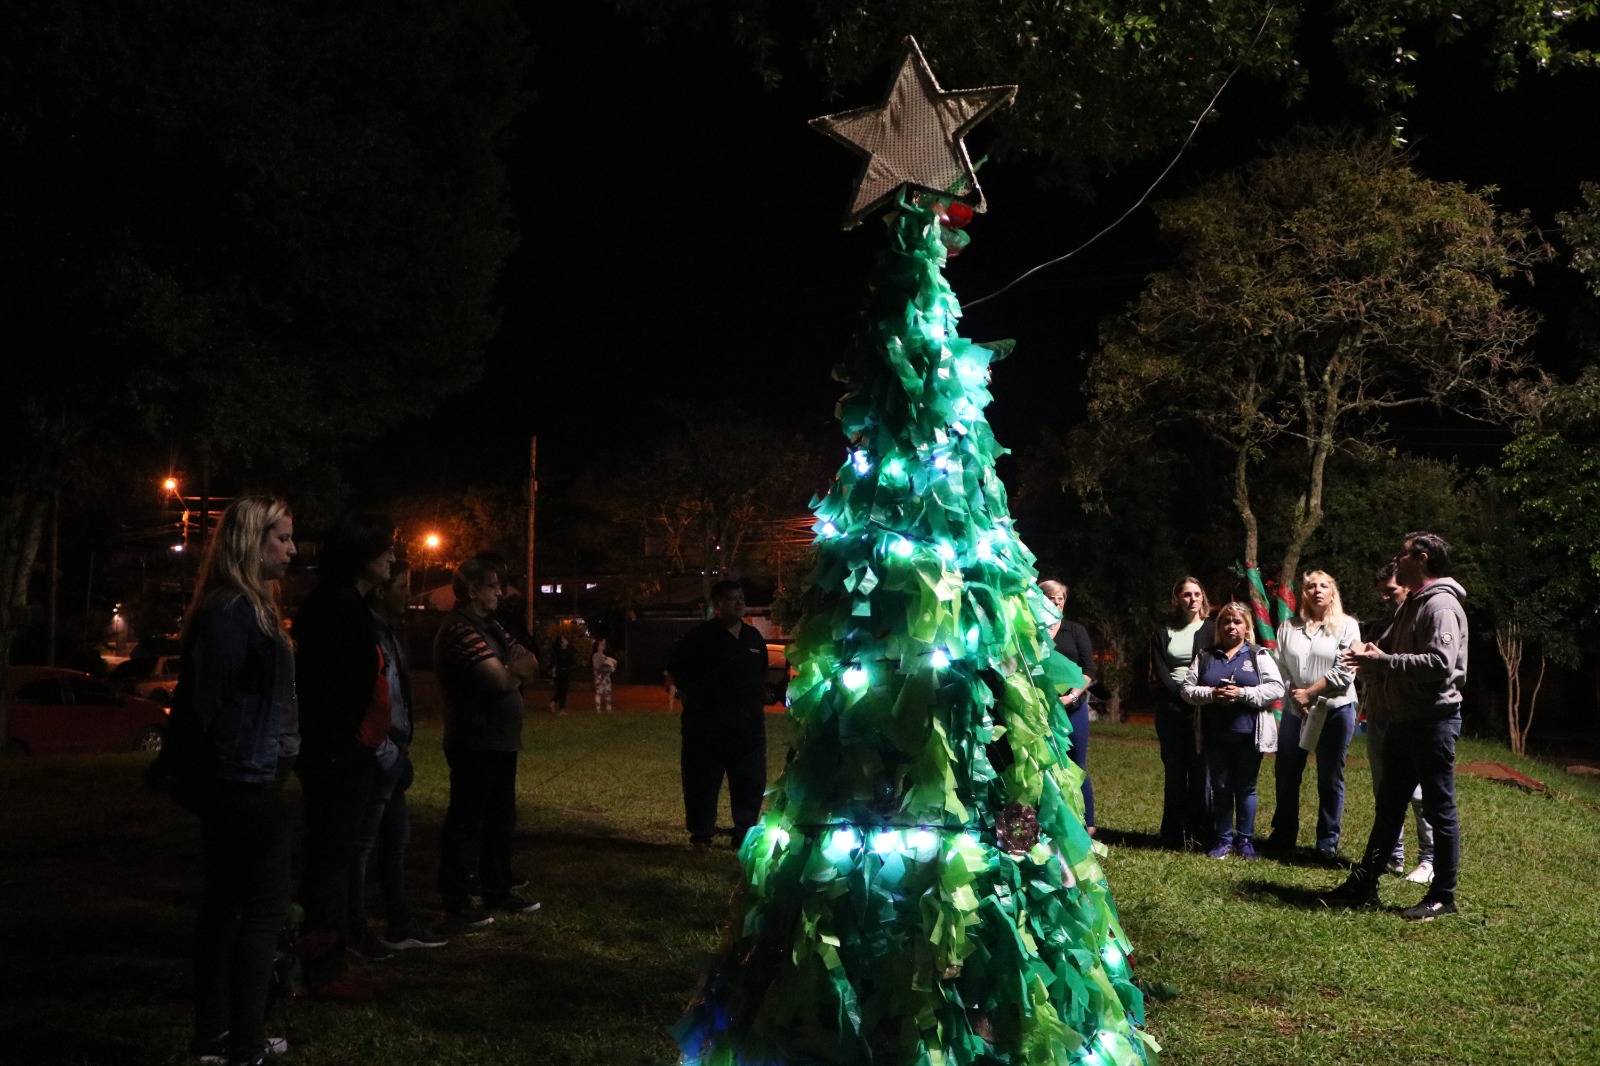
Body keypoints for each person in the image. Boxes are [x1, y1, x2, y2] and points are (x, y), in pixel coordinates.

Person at [167, 496, 299, 1066]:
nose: (292, 550)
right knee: (262, 907)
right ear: (252, 541)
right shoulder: (231, 613)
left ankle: (217, 1038)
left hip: (246, 775)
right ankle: (244, 1043)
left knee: (225, 906)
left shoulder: (251, 608)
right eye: (283, 538)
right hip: (239, 781)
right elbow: (203, 703)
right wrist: (206, 778)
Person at [1327, 532, 1468, 920]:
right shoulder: (1411, 605)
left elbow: (1440, 664)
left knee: (1440, 809)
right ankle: (1365, 883)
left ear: (1421, 558)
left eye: (1402, 553)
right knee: (1389, 808)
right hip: (1404, 720)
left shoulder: (1440, 606)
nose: (1397, 559)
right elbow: (1387, 649)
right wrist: (1369, 653)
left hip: (1432, 721)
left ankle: (1443, 896)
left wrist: (1384, 662)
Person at [292, 512, 397, 1002]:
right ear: (361, 557)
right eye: (385, 550)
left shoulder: (349, 605)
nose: (394, 558)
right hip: (336, 754)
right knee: (330, 859)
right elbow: (333, 688)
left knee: (337, 856)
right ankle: (321, 966)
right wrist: (355, 740)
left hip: (348, 752)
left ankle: (329, 956)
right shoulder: (334, 609)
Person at [436, 555, 542, 924]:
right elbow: (498, 680)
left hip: (499, 741)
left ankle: (496, 888)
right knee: (468, 820)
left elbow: (527, 658)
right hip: (474, 740)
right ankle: (458, 897)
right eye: (493, 586)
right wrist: (514, 673)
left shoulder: (490, 626)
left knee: (500, 818)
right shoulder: (461, 630)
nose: (500, 592)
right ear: (473, 590)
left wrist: (512, 670)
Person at [352, 562, 448, 954]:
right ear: (380, 590)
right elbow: (371, 699)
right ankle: (354, 930)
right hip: (377, 752)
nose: (409, 594)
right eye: (402, 586)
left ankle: (399, 920)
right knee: (362, 845)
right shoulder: (368, 634)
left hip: (392, 750)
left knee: (394, 840)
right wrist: (388, 750)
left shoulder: (390, 632)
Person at [1263, 570, 1360, 861]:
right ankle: (1283, 834)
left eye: (1324, 586)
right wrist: (1296, 693)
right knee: (1286, 773)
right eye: (1310, 587)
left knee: (1330, 777)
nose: (1317, 591)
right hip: (1296, 710)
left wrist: (1311, 693)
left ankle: (1327, 842)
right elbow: (1278, 665)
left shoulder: (1347, 626)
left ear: (1333, 592)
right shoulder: (1288, 627)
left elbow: (1346, 670)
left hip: (1334, 709)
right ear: (1303, 594)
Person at [666, 580, 769, 853]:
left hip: (748, 730)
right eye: (732, 598)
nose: (739, 603)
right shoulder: (699, 637)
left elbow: (761, 675)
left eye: (741, 597)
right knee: (702, 782)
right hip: (706, 728)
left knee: (749, 781)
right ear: (718, 605)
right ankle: (701, 835)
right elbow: (677, 668)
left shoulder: (754, 638)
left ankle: (744, 832)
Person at [1182, 601, 1286, 859]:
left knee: (1246, 788)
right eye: (1226, 622)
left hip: (1249, 735)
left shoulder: (1258, 655)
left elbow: (1277, 688)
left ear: (1247, 627)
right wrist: (1212, 693)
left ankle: (1246, 840)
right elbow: (1187, 689)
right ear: (1219, 627)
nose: (1231, 626)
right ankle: (1223, 839)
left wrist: (1243, 694)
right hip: (1214, 735)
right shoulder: (1206, 656)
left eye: (1237, 622)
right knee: (1220, 787)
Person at [1365, 563, 1435, 883]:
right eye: (1382, 593)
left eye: (1390, 590)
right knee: (1385, 791)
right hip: (1380, 715)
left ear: (1406, 586)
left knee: (1420, 794)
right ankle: (1393, 855)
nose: (1386, 598)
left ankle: (1429, 860)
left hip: (1412, 717)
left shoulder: (1422, 621)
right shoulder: (1379, 627)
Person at [1150, 577, 1215, 850]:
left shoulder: (1212, 629)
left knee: (1201, 774)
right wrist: (1180, 695)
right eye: (1186, 594)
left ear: (1203, 597)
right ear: (1177, 598)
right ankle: (1173, 834)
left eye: (1196, 594)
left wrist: (1198, 696)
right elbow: (1159, 666)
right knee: (1175, 773)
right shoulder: (1163, 630)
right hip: (1171, 709)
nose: (1192, 599)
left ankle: (1201, 834)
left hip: (1204, 710)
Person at [1039, 579, 1095, 835]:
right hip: (1040, 710)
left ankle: (1086, 823)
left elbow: (1089, 671)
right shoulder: (1030, 632)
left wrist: (1071, 697)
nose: (1056, 602)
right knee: (1045, 763)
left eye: (1060, 598)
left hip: (1073, 709)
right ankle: (1049, 819)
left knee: (1076, 764)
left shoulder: (1075, 631)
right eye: (1051, 597)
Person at [548, 634, 576, 712]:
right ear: (561, 642)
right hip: (563, 672)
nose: (566, 641)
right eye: (564, 639)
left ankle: (553, 703)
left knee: (560, 689)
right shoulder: (564, 652)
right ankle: (562, 708)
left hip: (560, 672)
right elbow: (571, 660)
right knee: (563, 690)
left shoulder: (559, 652)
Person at [592, 636, 618, 712]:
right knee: (599, 693)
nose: (603, 645)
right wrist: (608, 668)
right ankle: (598, 710)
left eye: (604, 644)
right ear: (597, 646)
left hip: (606, 678)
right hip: (599, 678)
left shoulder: (605, 657)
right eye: (601, 644)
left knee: (608, 693)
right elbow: (597, 667)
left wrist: (612, 666)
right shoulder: (596, 656)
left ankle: (609, 709)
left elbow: (614, 663)